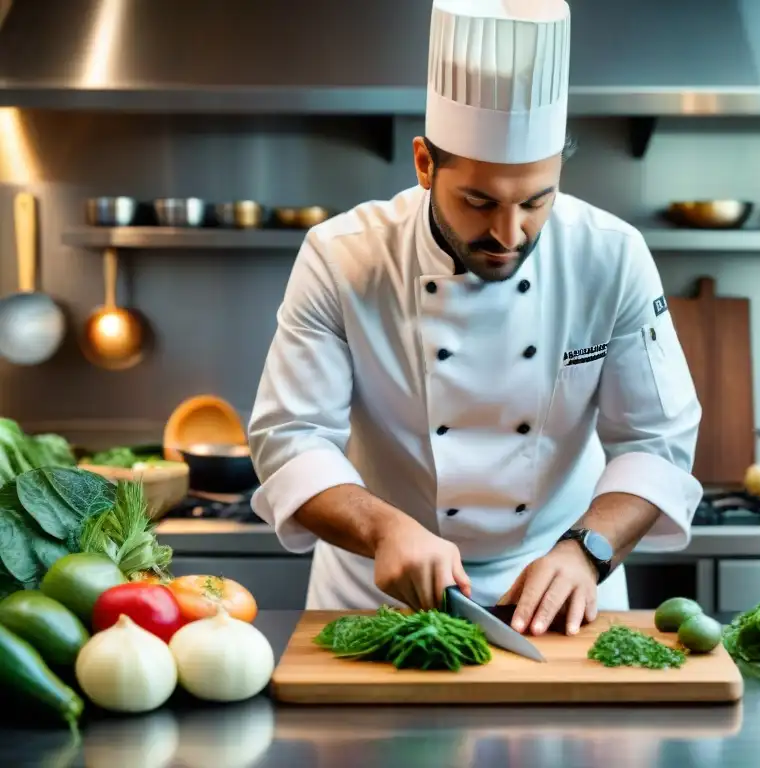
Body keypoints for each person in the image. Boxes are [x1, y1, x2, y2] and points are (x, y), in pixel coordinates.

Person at [248, 0, 703, 637]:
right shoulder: (342, 257)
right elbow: (291, 438)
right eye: (478, 201)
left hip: (564, 590)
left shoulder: (612, 255)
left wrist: (588, 550)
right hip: (377, 594)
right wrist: (385, 530)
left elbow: (657, 443)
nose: (509, 233)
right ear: (425, 165)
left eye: (536, 201)